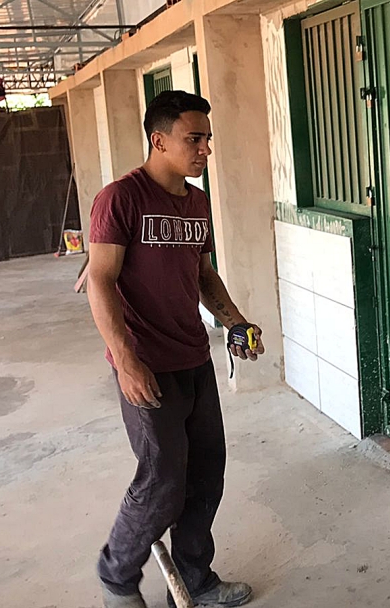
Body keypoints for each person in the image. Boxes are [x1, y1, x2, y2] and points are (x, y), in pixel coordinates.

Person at [87, 90, 263, 608]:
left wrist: (234, 322)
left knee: (206, 473)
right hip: (147, 364)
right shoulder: (121, 198)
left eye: (207, 138)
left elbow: (202, 274)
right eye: (194, 138)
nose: (205, 148)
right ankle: (117, 577)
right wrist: (125, 360)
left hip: (193, 358)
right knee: (162, 480)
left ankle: (194, 581)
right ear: (158, 139)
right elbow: (100, 280)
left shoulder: (197, 201)